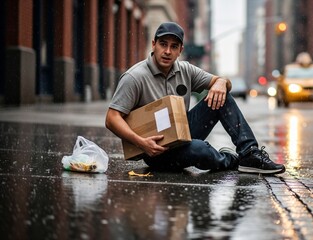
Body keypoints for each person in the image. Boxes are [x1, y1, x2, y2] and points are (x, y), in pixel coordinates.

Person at [106, 22, 285, 174]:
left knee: (223, 97)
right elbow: (112, 118)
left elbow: (220, 82)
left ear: (180, 50)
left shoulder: (185, 69)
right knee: (200, 149)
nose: (167, 51)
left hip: (183, 133)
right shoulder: (134, 77)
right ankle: (232, 161)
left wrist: (221, 82)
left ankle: (250, 154)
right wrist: (142, 143)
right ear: (154, 44)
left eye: (174, 46)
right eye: (163, 44)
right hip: (156, 151)